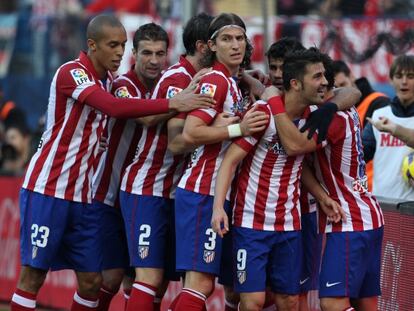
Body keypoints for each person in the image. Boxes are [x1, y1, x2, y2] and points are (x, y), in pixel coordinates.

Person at [10, 14, 214, 311]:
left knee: (95, 281)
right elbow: (114, 107)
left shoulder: (107, 79)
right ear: (92, 45)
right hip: (49, 189)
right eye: (113, 45)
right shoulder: (73, 72)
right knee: (33, 276)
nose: (119, 52)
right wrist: (175, 103)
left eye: (122, 45)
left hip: (83, 196)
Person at [212, 47, 346, 311]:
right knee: (252, 302)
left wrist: (321, 196)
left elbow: (296, 158)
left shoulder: (314, 116)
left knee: (289, 300)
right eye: (317, 76)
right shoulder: (263, 112)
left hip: (289, 224)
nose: (325, 82)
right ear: (295, 83)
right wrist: (218, 207)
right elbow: (230, 161)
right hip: (251, 223)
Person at [268, 49, 384, 311]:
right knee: (365, 304)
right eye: (316, 76)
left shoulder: (329, 118)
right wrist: (321, 195)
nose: (321, 81)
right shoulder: (337, 107)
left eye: (322, 76)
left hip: (348, 222)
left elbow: (295, 147)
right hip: (366, 216)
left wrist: (273, 103)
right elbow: (305, 162)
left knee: (332, 303)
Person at [171, 13, 269, 311]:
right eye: (227, 39)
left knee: (227, 289)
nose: (235, 45)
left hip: (222, 193)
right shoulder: (215, 80)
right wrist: (240, 128)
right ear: (211, 45)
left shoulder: (234, 81)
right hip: (203, 191)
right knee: (200, 284)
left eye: (240, 38)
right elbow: (190, 132)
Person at [91, 22, 171, 311]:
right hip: (109, 197)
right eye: (146, 52)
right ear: (134, 54)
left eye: (159, 53)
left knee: (143, 280)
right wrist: (181, 102)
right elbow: (145, 119)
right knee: (110, 278)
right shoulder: (123, 85)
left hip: (145, 195)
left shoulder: (167, 86)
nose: (153, 60)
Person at [362, 54, 414, 200]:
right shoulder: (379, 115)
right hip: (382, 203)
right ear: (391, 80)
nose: (404, 82)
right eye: (398, 76)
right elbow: (358, 158)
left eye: (410, 76)